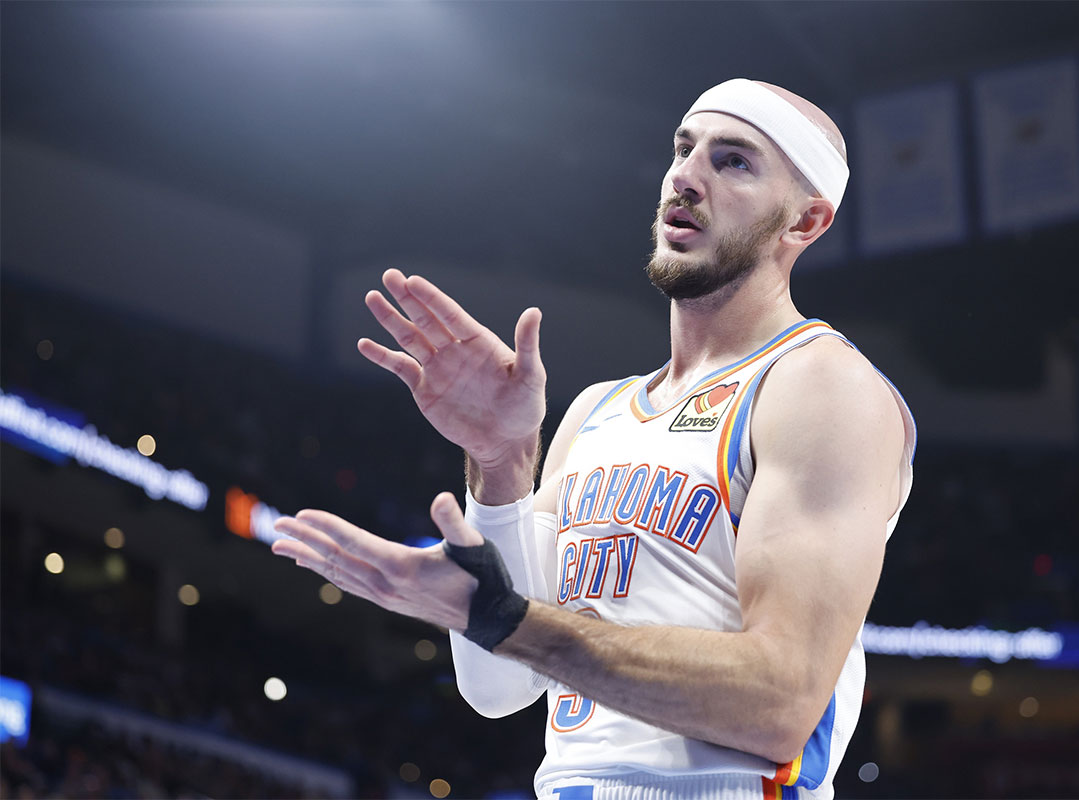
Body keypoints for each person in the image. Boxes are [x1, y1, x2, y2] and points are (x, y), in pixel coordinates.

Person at [272, 78, 916, 800]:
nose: (685, 176)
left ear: (805, 223)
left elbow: (779, 705)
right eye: (684, 148)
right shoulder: (594, 412)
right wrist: (500, 464)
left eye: (733, 161)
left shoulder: (820, 387)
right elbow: (500, 685)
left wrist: (501, 616)